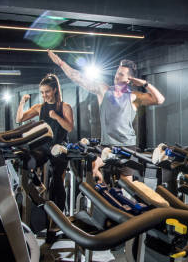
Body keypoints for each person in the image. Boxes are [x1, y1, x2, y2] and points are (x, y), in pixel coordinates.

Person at [48, 50, 165, 181]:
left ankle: (121, 198)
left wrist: (144, 84)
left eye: (121, 74)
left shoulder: (134, 97)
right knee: (93, 169)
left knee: (126, 185)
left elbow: (159, 100)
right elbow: (78, 77)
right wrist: (61, 63)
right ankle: (103, 193)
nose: (116, 76)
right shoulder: (103, 89)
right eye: (117, 73)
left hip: (127, 146)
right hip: (106, 145)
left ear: (129, 79)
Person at [16, 73, 74, 213]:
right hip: (44, 146)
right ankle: (38, 185)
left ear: (54, 90)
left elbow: (69, 127)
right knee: (23, 160)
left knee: (57, 181)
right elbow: (19, 119)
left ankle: (59, 216)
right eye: (42, 92)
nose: (44, 95)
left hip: (59, 147)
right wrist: (22, 102)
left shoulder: (65, 107)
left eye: (47, 91)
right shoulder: (39, 108)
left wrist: (56, 117)